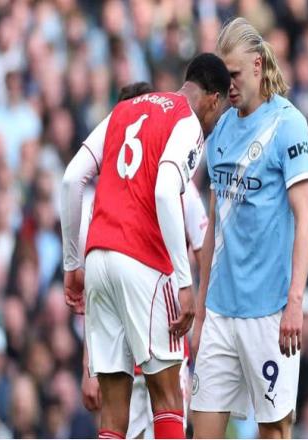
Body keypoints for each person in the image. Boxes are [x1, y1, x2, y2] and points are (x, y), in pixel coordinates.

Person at [60, 53, 230, 439]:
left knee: (112, 413)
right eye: (219, 114)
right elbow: (166, 190)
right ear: (214, 99)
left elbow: (72, 178)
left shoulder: (124, 109)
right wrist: (184, 283)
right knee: (167, 398)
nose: (214, 123)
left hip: (98, 259)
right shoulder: (187, 120)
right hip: (143, 262)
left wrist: (72, 263)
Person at [190, 18, 308, 439]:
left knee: (274, 430)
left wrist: (295, 301)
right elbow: (213, 227)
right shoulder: (220, 128)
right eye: (223, 76)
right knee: (202, 428)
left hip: (269, 311)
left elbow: (306, 218)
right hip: (220, 311)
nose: (228, 86)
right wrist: (201, 310)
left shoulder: (288, 125)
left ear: (258, 66)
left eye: (236, 74)